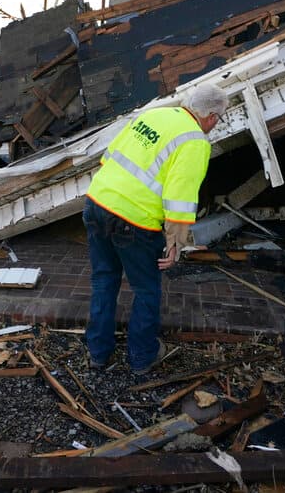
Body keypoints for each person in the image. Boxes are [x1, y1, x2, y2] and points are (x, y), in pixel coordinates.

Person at [83, 83, 229, 373]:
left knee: (104, 280)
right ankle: (142, 357)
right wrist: (175, 243)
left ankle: (98, 353)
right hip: (134, 221)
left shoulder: (154, 115)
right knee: (146, 289)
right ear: (211, 116)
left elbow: (108, 157)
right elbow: (180, 198)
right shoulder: (195, 141)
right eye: (219, 119)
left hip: (97, 202)